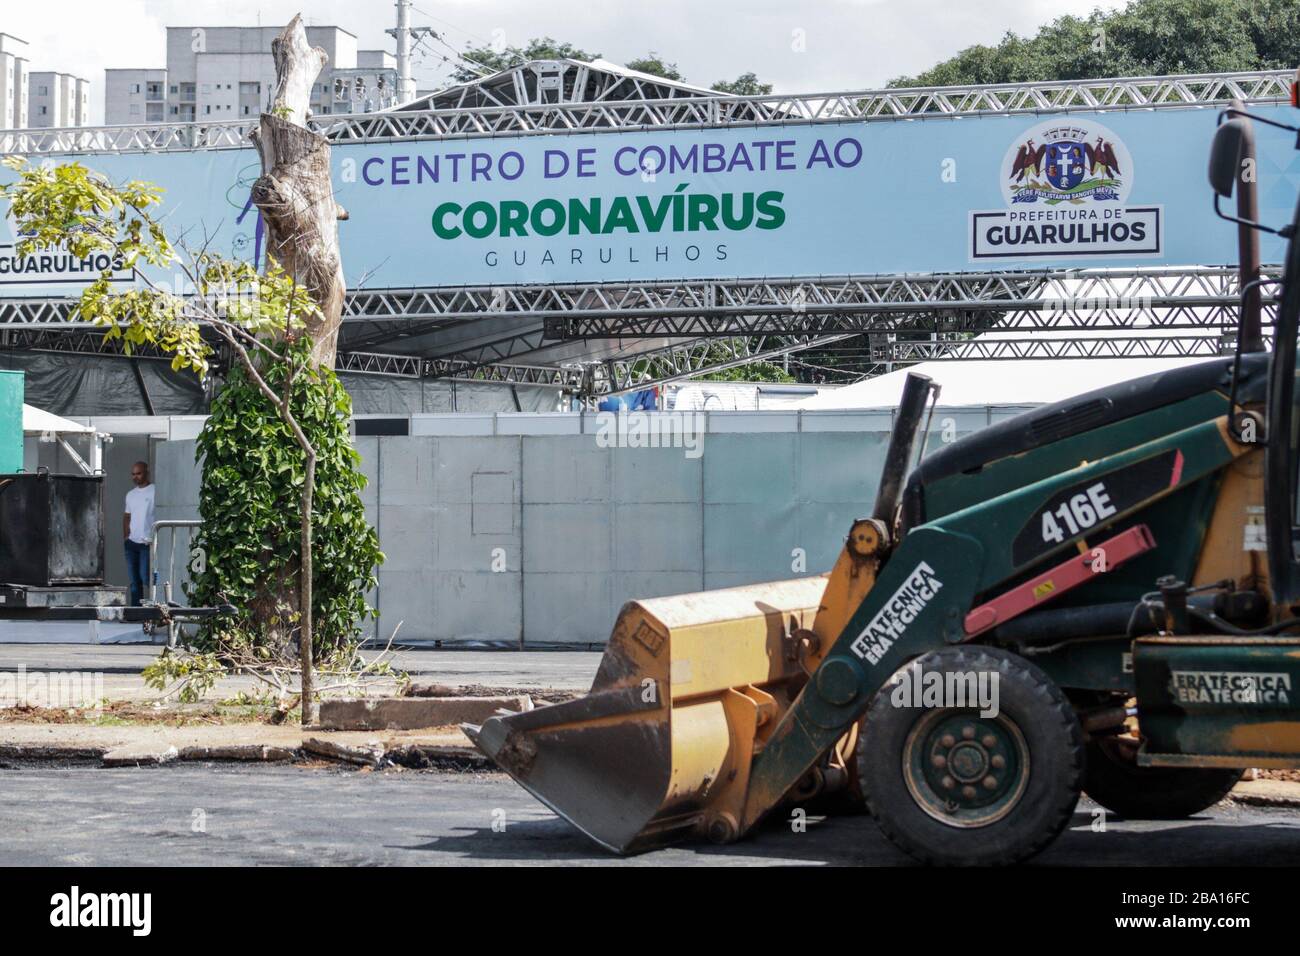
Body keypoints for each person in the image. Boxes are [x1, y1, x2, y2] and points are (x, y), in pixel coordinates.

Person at [123, 461, 155, 606]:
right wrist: (126, 536)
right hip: (131, 543)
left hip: (146, 542)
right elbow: (127, 516)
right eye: (133, 474)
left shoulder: (155, 491)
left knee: (145, 577)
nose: (136, 477)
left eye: (139, 473)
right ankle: (136, 611)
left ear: (146, 472)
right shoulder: (130, 494)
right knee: (134, 580)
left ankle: (156, 606)